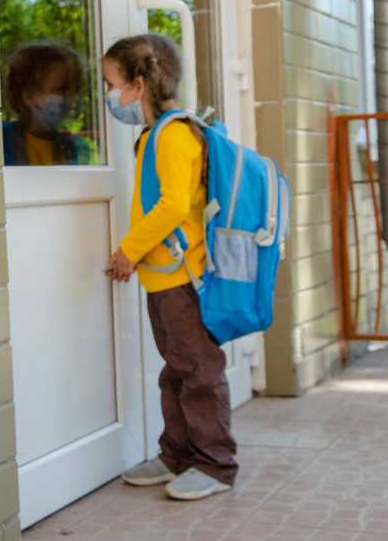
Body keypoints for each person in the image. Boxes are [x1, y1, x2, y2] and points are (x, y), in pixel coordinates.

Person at [102, 33, 237, 500]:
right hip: (165, 277)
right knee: (176, 370)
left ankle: (215, 465)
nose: (110, 96)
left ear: (138, 83)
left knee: (198, 371)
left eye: (112, 84)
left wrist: (128, 251)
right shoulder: (154, 135)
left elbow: (172, 206)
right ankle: (177, 455)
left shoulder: (175, 133)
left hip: (185, 278)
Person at [2, 43, 90, 166]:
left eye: (77, 88)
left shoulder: (77, 148)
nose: (74, 96)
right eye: (62, 89)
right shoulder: (0, 140)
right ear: (29, 96)